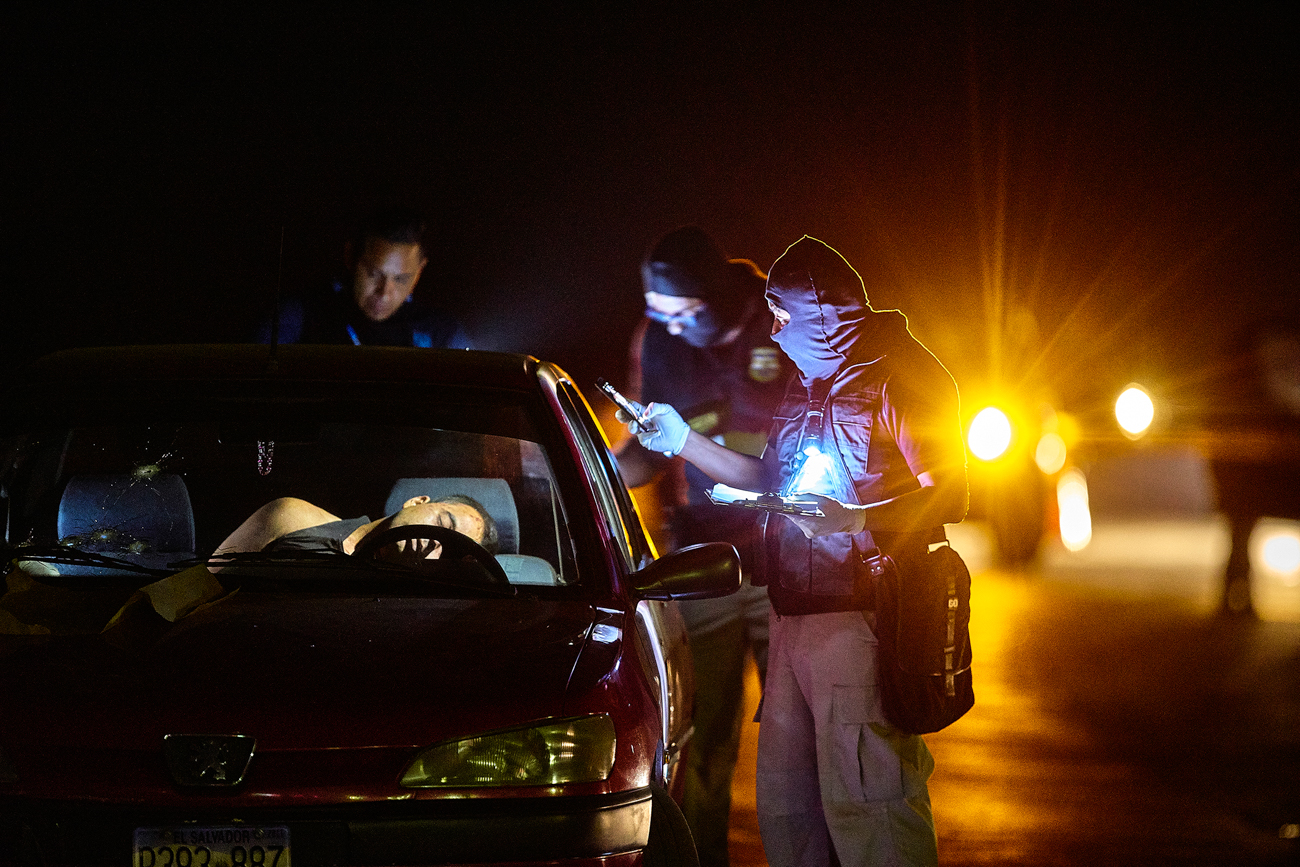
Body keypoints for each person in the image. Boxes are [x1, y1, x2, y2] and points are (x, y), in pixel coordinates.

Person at [620, 236, 968, 867]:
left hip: (863, 621)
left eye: (784, 318)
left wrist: (856, 518)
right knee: (789, 807)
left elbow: (951, 492)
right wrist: (679, 441)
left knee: (871, 804)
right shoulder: (812, 383)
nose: (775, 336)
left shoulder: (901, 373)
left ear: (827, 315)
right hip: (792, 618)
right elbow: (768, 477)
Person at [614, 226, 792, 867]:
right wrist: (591, 463)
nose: (670, 327)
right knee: (703, 745)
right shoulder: (657, 340)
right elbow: (642, 458)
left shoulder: (779, 320)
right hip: (703, 568)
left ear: (713, 296)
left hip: (787, 565)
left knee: (798, 741)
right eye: (658, 314)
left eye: (682, 312)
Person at [259, 205, 473, 348]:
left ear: (419, 273)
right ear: (350, 257)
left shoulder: (443, 334)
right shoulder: (299, 317)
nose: (384, 292)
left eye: (400, 279)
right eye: (373, 274)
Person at [211, 493, 498, 571]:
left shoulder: (414, 607)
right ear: (416, 501)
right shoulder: (293, 519)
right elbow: (203, 588)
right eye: (444, 525)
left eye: (449, 548)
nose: (435, 543)